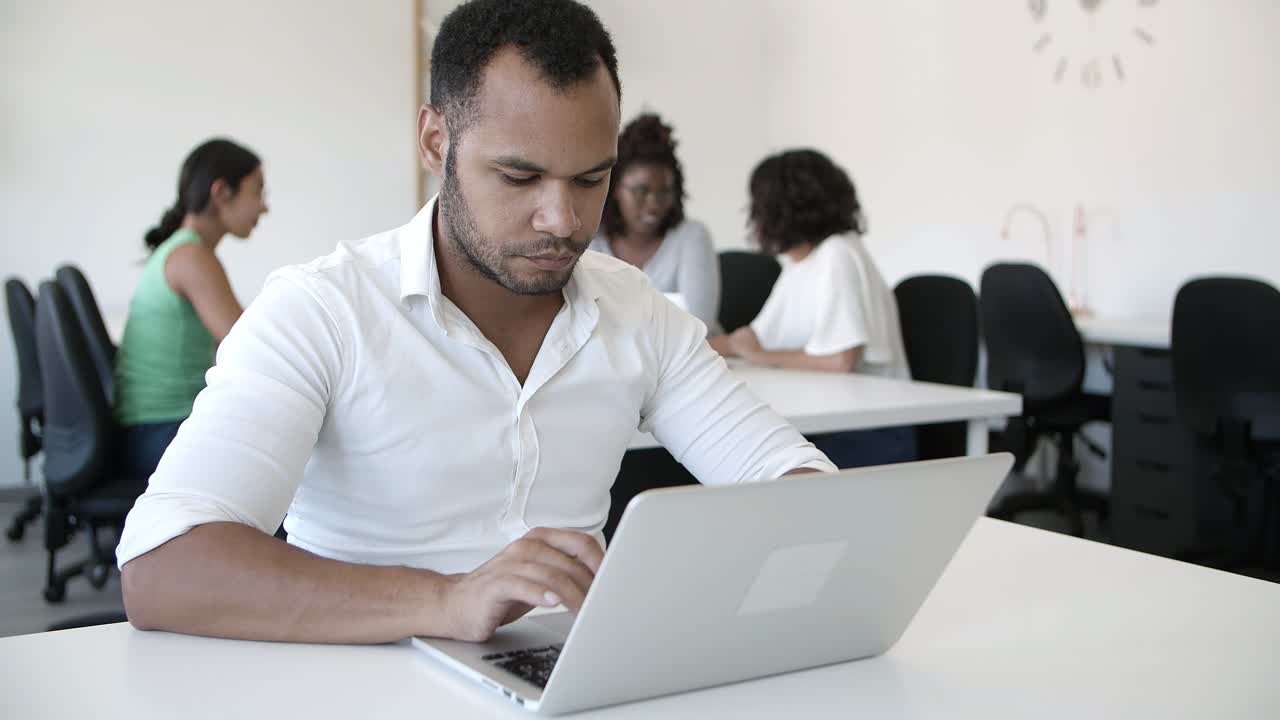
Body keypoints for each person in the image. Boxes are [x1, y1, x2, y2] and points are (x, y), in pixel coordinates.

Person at [117, 0, 834, 646]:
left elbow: (803, 487)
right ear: (436, 143)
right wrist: (446, 599)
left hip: (567, 681)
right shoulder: (322, 309)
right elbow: (162, 567)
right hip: (358, 685)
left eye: (591, 179)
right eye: (520, 177)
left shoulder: (635, 309)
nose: (563, 220)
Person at [710, 149, 915, 469]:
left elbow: (841, 361)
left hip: (873, 432)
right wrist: (682, 349)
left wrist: (759, 357)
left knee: (737, 454)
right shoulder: (801, 263)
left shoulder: (838, 254)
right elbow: (750, 339)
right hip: (836, 421)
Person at [113, 138, 268, 482]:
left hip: (147, 430)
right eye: (257, 191)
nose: (264, 207)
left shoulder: (181, 250)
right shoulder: (191, 257)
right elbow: (251, 349)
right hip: (160, 433)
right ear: (220, 192)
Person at [589, 113, 721, 333]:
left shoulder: (692, 236)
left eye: (664, 191)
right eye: (641, 191)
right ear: (615, 188)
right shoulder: (593, 239)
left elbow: (698, 326)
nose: (653, 204)